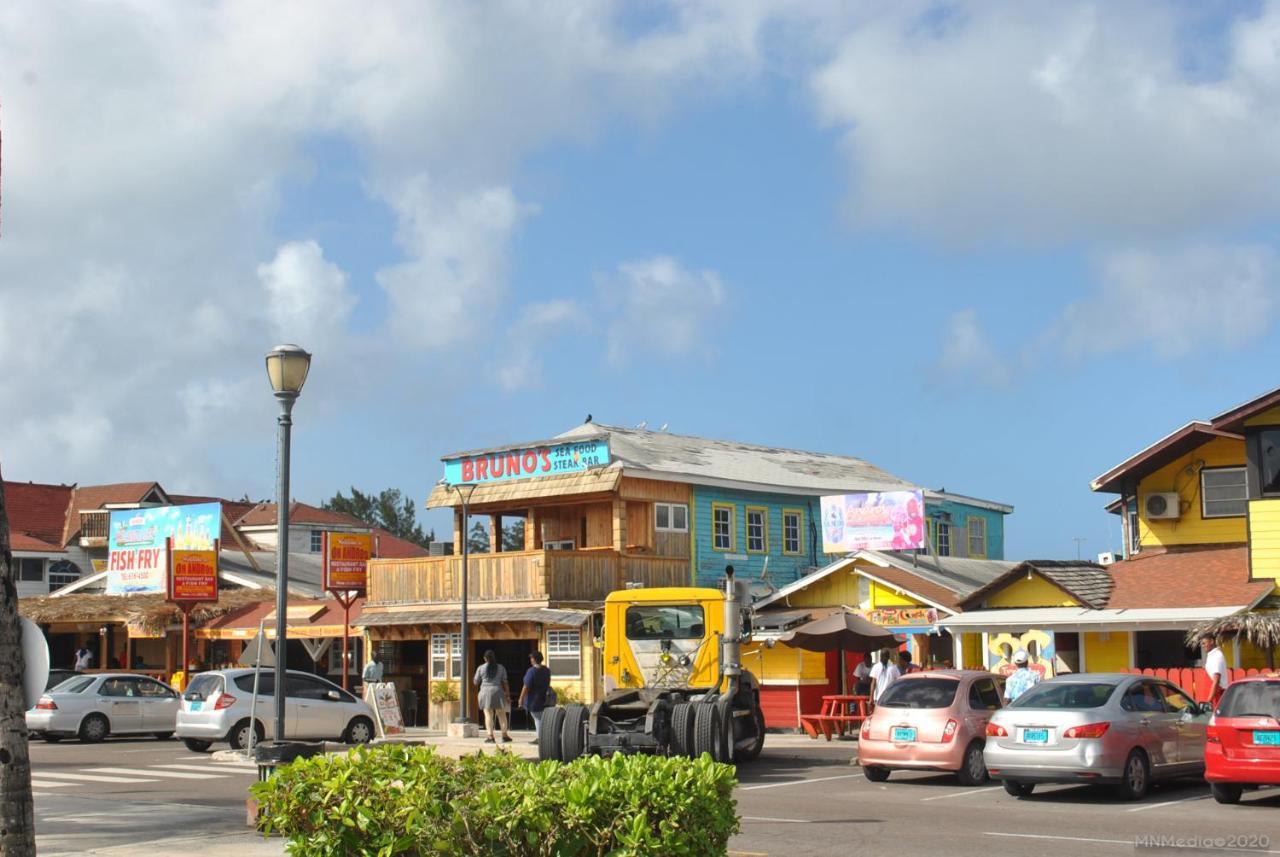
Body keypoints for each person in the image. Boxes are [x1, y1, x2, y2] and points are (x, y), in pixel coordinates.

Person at [474, 649, 512, 743]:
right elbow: (505, 682)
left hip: (485, 692)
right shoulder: (501, 667)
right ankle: (504, 735)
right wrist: (507, 695)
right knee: (501, 714)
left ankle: (490, 737)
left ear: (485, 658)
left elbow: (476, 682)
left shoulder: (481, 668)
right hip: (498, 692)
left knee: (488, 715)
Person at [517, 650, 552, 744]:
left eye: (531, 658)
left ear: (534, 659)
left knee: (537, 719)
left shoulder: (531, 671)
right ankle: (544, 737)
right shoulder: (546, 670)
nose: (530, 660)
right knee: (542, 718)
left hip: (533, 699)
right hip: (544, 697)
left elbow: (526, 686)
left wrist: (521, 698)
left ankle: (540, 738)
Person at [1202, 634, 1229, 708]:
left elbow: (1216, 680)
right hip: (1213, 698)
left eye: (1204, 643)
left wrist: (1208, 701)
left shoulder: (1217, 656)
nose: (1203, 645)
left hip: (1217, 698)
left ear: (1212, 641)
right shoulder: (1211, 656)